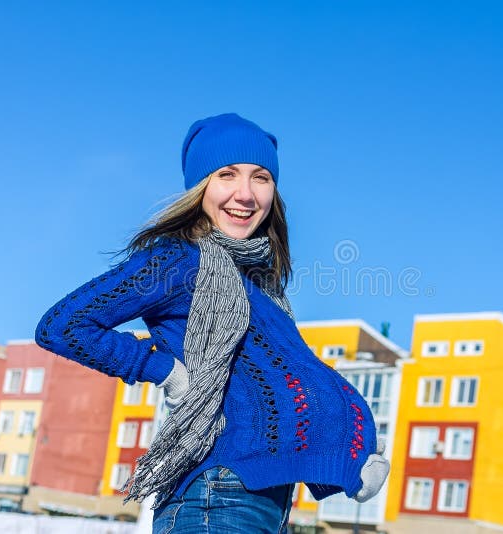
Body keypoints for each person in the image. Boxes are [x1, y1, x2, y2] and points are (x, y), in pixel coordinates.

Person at [35, 113, 389, 533]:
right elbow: (63, 326)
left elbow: (283, 386)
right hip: (215, 495)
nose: (246, 194)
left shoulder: (261, 287)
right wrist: (165, 372)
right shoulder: (178, 260)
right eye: (227, 175)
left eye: (261, 178)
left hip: (261, 501)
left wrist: (351, 447)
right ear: (200, 187)